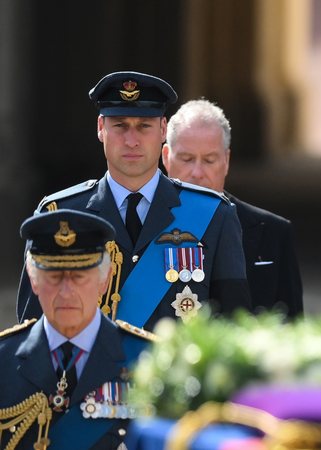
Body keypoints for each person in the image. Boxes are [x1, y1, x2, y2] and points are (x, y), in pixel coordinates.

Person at [17, 71, 251, 330]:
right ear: (100, 129)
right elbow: (33, 334)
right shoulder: (59, 214)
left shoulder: (213, 214)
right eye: (120, 126)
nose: (131, 141)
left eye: (144, 126)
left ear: (163, 129)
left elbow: (232, 328)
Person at [0, 209, 155, 449]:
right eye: (54, 277)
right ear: (33, 280)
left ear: (105, 280)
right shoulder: (3, 359)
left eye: (79, 277)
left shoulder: (149, 360)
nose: (66, 292)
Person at [161, 99, 303, 318]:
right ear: (166, 158)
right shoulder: (140, 223)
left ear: (226, 161)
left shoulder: (273, 233)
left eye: (209, 160)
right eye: (187, 159)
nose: (197, 173)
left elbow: (291, 334)